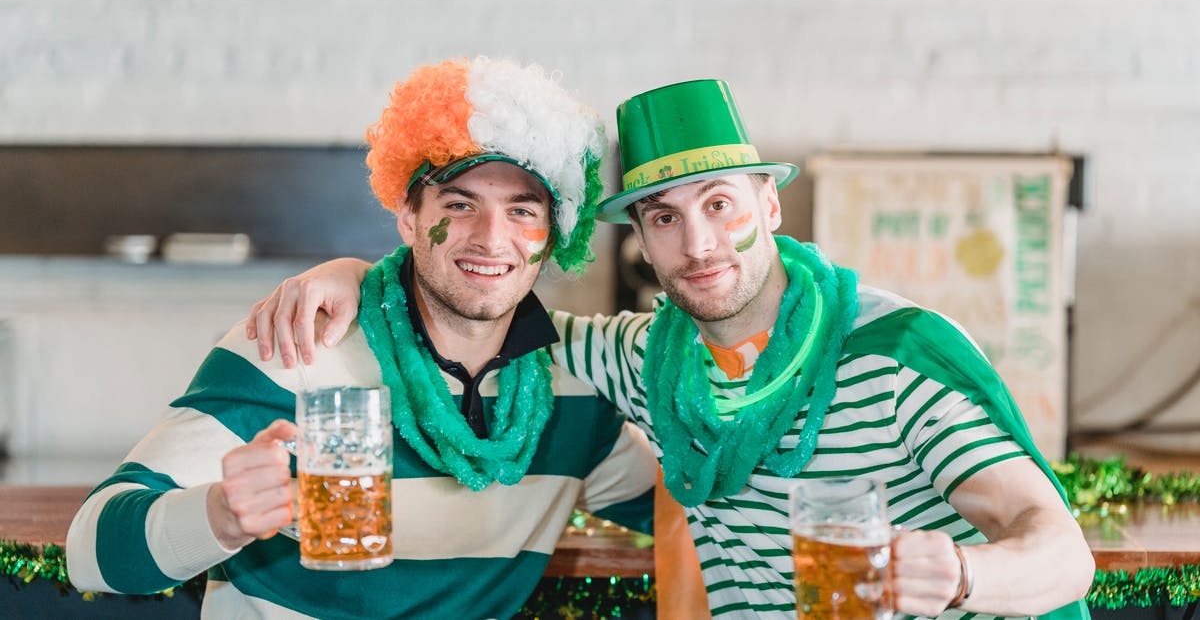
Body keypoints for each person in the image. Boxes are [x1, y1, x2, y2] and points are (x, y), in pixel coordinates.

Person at [249, 79, 1095, 619]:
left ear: (768, 205)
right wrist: (358, 274)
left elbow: (1062, 551)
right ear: (638, 243)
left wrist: (958, 573)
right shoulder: (641, 357)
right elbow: (480, 307)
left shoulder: (893, 352)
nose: (699, 243)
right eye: (663, 217)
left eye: (719, 203)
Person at [65, 57, 657, 620]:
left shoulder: (570, 390)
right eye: (460, 203)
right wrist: (221, 516)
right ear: (409, 216)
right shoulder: (295, 345)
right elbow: (89, 550)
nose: (490, 237)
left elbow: (696, 512)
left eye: (523, 211)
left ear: (554, 233)